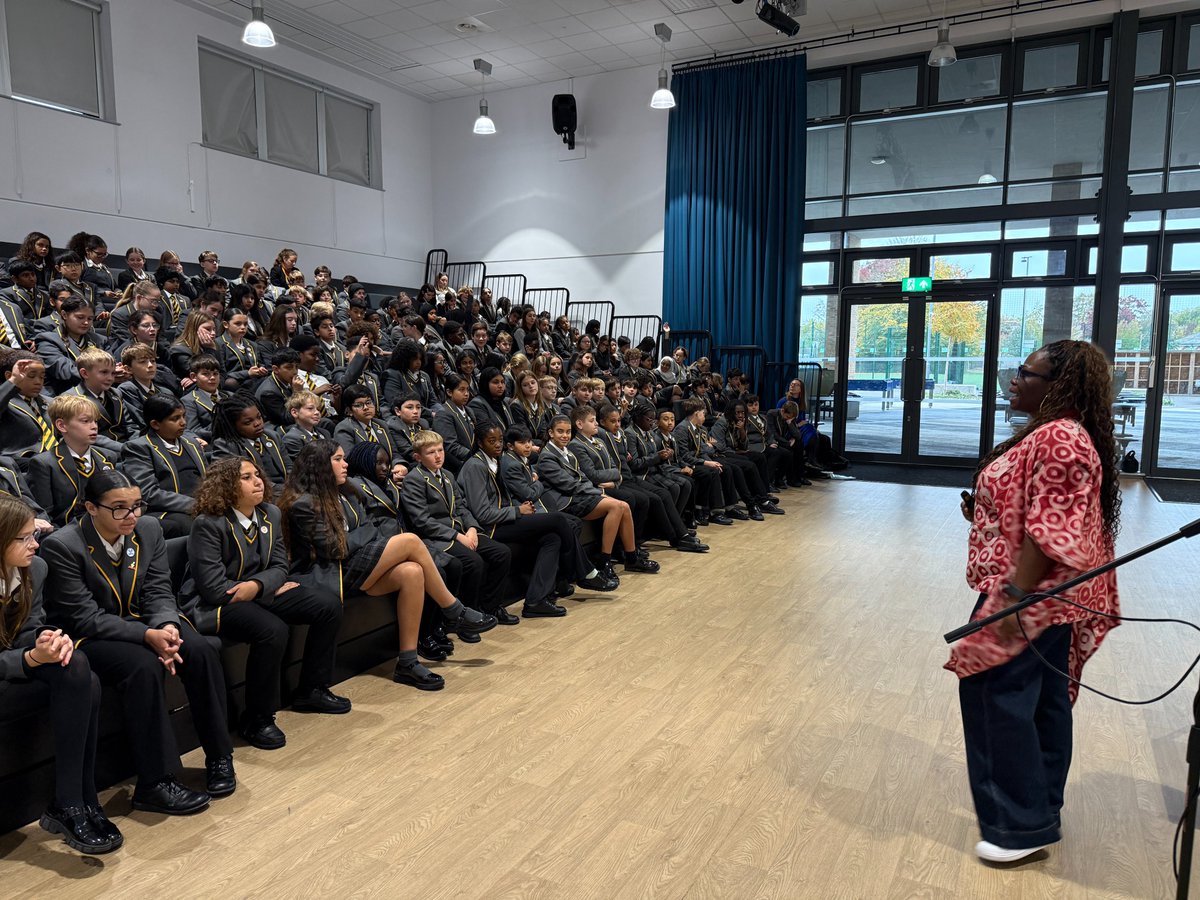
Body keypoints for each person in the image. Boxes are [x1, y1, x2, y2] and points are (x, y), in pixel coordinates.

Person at [946, 340, 1122, 864]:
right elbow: (1035, 510)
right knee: (1038, 704)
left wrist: (1016, 599)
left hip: (1030, 597)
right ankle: (1037, 814)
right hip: (1041, 596)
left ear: (1060, 386)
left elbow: (1052, 536)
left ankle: (1015, 831)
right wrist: (985, 510)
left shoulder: (1063, 439)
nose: (1015, 380)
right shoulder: (1052, 434)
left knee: (996, 702)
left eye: (1026, 373)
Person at [40, 470, 234, 814]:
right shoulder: (63, 545)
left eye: (136, 506)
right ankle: (155, 783)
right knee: (143, 666)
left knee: (201, 650)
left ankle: (219, 755)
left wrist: (168, 627)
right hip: (91, 635)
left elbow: (159, 588)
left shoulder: (149, 528)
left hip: (147, 622)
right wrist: (148, 636)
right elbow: (85, 617)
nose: (131, 516)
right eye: (119, 508)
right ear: (90, 507)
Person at [279, 440, 495, 691]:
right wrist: (364, 535)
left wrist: (363, 534)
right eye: (337, 459)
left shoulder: (346, 491)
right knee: (411, 540)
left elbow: (365, 530)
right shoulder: (303, 502)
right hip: (333, 574)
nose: (345, 464)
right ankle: (454, 610)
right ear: (318, 465)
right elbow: (334, 548)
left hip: (354, 563)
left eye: (343, 458)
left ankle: (407, 662)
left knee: (411, 573)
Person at [181, 458, 348, 750]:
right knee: (273, 630)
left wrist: (259, 586)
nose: (258, 481)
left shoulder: (269, 513)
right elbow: (213, 588)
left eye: (257, 475)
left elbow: (281, 566)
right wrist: (264, 585)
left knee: (328, 604)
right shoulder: (208, 524)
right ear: (226, 486)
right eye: (246, 477)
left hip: (258, 592)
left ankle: (311, 689)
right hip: (218, 603)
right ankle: (257, 718)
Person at [0, 496, 119, 854]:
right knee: (84, 679)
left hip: (15, 664)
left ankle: (74, 801)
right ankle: (74, 801)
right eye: (23, 537)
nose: (36, 543)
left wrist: (47, 640)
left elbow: (30, 627)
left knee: (79, 668)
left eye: (32, 534)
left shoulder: (35, 568)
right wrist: (33, 658)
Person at [459, 423, 586, 618]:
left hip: (505, 519)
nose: (497, 445)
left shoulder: (497, 460)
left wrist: (531, 479)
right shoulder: (475, 466)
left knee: (553, 538)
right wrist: (518, 510)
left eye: (500, 440)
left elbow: (527, 468)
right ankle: (583, 572)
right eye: (491, 441)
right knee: (559, 520)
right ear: (479, 443)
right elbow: (483, 514)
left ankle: (536, 600)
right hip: (491, 527)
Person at [536, 414, 649, 582]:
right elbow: (569, 485)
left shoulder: (567, 452)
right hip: (567, 501)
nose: (565, 435)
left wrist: (594, 488)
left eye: (567, 431)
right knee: (617, 506)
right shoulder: (547, 456)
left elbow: (583, 478)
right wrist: (597, 490)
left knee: (624, 505)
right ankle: (604, 561)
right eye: (560, 431)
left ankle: (631, 558)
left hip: (580, 495)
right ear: (550, 433)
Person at [119, 395, 205, 538]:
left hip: (201, 503)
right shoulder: (139, 447)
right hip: (166, 510)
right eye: (175, 419)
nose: (183, 422)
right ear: (155, 424)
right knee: (197, 524)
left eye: (184, 416)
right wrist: (195, 504)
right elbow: (148, 493)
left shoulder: (192, 443)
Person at [28, 395, 114, 528]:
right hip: (66, 535)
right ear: (62, 425)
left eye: (95, 421)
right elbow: (44, 516)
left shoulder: (108, 457)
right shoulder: (44, 464)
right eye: (85, 421)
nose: (94, 427)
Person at [211, 395, 289, 486]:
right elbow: (235, 483)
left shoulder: (272, 436)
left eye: (259, 417)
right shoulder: (226, 446)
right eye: (248, 422)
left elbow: (289, 468)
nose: (257, 423)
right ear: (233, 426)